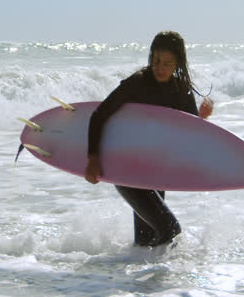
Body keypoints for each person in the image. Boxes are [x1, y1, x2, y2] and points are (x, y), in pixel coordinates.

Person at [85, 31, 213, 247]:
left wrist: (202, 118)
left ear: (178, 63)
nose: (159, 67)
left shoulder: (181, 91)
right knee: (169, 230)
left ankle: (141, 279)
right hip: (126, 168)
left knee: (146, 243)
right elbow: (100, 115)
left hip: (155, 170)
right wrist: (94, 158)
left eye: (166, 63)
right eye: (155, 60)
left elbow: (190, 135)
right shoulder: (137, 83)